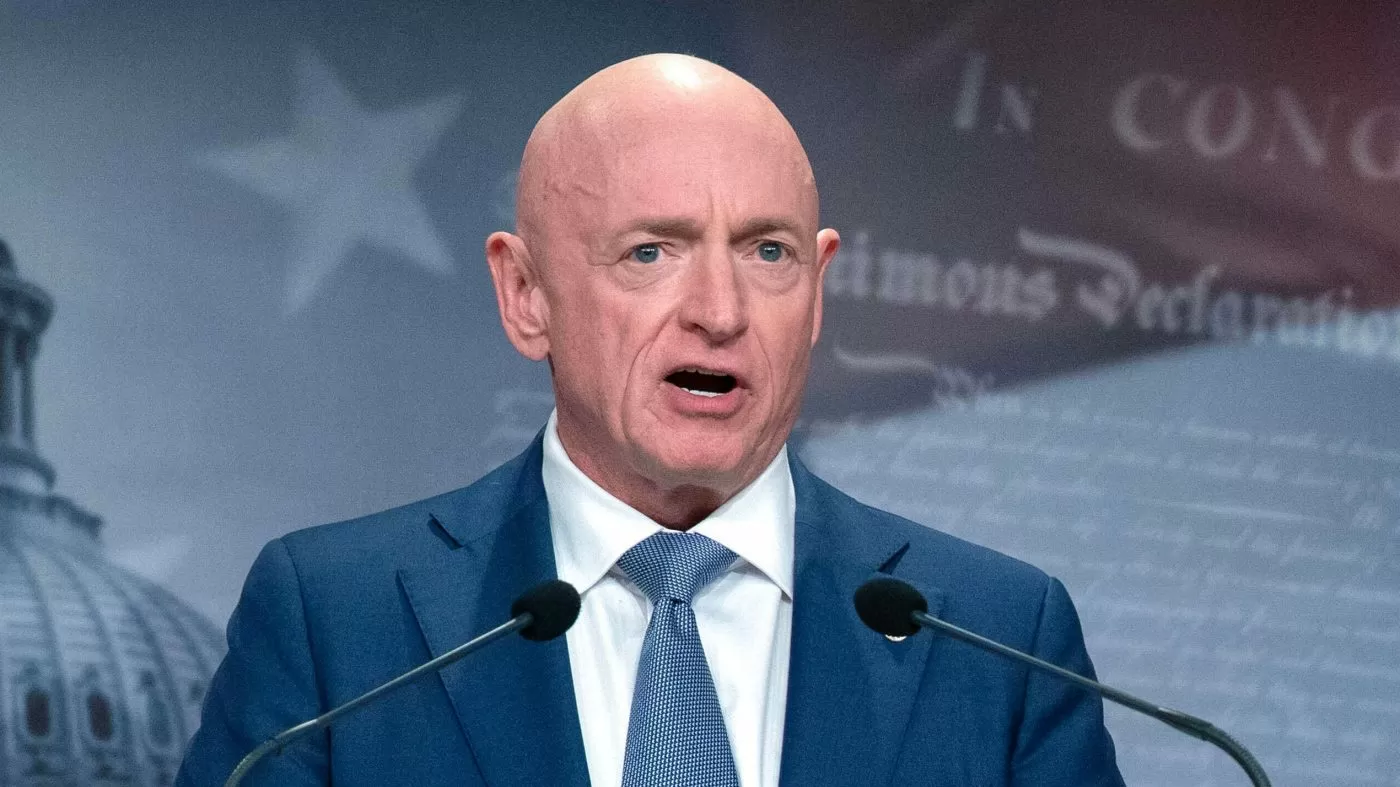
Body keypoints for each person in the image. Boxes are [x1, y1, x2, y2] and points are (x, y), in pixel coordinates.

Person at [176, 53, 1123, 787]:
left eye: (768, 251)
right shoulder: (336, 622)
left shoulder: (998, 639)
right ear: (525, 294)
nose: (720, 309)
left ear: (819, 288)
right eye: (650, 252)